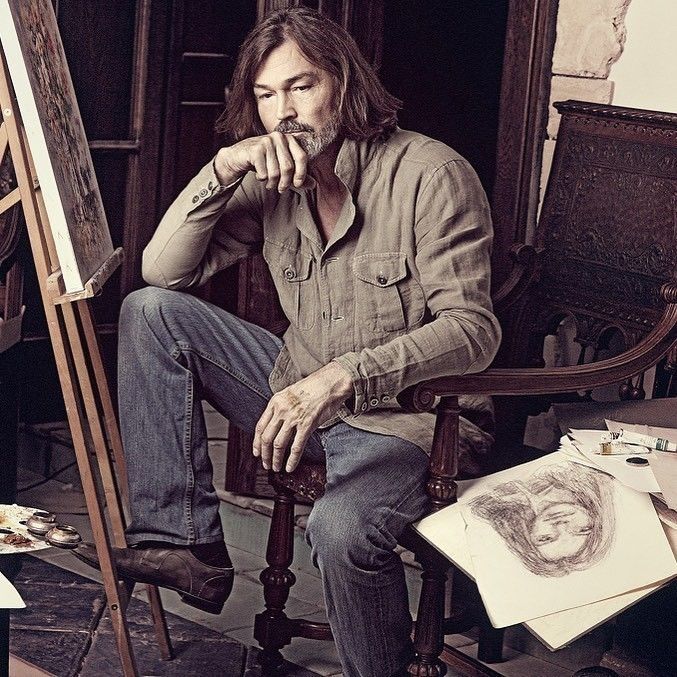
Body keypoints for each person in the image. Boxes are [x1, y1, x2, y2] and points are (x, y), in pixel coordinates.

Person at [75, 7, 500, 676]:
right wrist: (223, 168)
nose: (284, 112)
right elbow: (164, 272)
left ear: (344, 83)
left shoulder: (430, 173)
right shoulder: (270, 181)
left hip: (412, 422)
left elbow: (473, 330)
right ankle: (186, 546)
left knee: (341, 529)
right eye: (266, 95)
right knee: (151, 311)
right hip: (297, 394)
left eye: (301, 86)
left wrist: (343, 377)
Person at [469, 462, 616, 577]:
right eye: (582, 530)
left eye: (546, 538)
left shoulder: (502, 496)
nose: (561, 525)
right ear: (597, 520)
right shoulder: (587, 476)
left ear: (525, 537)